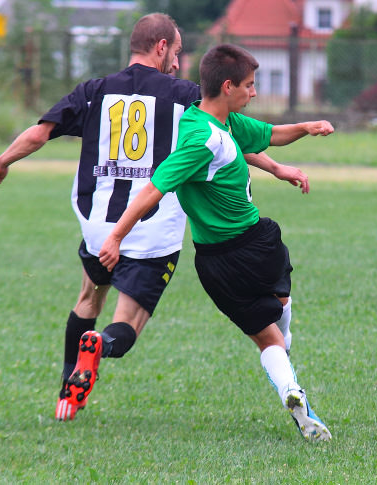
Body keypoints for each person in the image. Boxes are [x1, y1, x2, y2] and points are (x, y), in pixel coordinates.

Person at [0, 14, 303, 423]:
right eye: (178, 52)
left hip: (99, 226)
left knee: (88, 298)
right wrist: (277, 168)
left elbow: (39, 133)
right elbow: (225, 139)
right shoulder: (186, 96)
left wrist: (1, 161)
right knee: (125, 325)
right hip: (152, 231)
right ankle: (100, 345)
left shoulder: (94, 91)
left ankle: (68, 389)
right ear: (161, 47)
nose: (179, 62)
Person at [98, 44, 333, 441]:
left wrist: (307, 128)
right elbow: (152, 191)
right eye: (249, 86)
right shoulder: (202, 142)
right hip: (257, 246)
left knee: (267, 333)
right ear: (228, 87)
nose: (254, 93)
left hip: (213, 264)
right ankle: (290, 383)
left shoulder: (208, 120)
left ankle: (291, 384)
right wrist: (116, 236)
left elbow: (271, 136)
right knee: (277, 321)